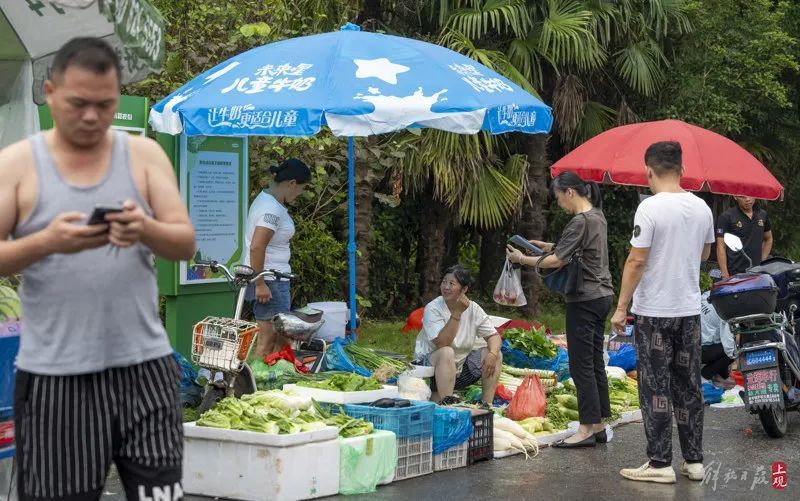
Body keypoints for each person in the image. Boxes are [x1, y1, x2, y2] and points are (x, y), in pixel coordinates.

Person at [0, 38, 195, 500]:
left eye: (105, 105)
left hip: (143, 368)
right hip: (53, 375)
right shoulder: (18, 164)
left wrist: (145, 227)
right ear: (50, 93)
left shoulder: (143, 156)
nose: (91, 117)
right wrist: (47, 242)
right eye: (78, 103)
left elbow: (184, 242)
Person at [610, 141, 714, 484]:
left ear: (648, 171)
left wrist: (621, 307)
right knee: (689, 385)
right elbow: (704, 255)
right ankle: (694, 462)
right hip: (689, 310)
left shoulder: (650, 208)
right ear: (682, 170)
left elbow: (636, 260)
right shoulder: (702, 208)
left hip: (654, 311)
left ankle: (660, 464)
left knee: (655, 387)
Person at [507, 171, 614, 448]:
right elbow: (578, 249)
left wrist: (523, 259)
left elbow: (556, 261)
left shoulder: (580, 221)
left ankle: (586, 429)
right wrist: (547, 246)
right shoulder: (597, 216)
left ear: (570, 192)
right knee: (594, 362)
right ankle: (599, 424)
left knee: (581, 365)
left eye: (558, 198)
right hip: (602, 296)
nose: (559, 204)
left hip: (584, 299)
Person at [244, 158, 310, 360]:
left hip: (273, 279)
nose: (300, 194)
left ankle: (271, 375)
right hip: (269, 281)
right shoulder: (271, 209)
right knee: (269, 339)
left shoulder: (268, 201)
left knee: (280, 339)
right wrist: (260, 283)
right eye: (301, 189)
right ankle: (255, 378)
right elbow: (257, 246)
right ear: (292, 183)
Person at [413, 265, 502, 407]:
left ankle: (487, 405)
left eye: (451, 283)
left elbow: (494, 336)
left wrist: (492, 353)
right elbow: (442, 343)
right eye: (444, 282)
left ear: (464, 289)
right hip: (429, 369)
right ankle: (448, 405)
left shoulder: (473, 309)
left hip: (457, 370)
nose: (446, 287)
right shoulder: (433, 308)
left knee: (495, 353)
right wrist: (457, 313)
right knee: (447, 352)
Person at [716, 195, 772, 278]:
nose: (748, 199)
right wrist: (724, 272)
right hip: (734, 272)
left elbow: (768, 239)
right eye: (742, 197)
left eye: (750, 195)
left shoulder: (762, 214)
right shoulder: (726, 216)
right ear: (735, 197)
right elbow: (721, 246)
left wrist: (762, 261)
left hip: (757, 272)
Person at [700, 289, 736, 389]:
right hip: (699, 350)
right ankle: (705, 376)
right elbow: (729, 348)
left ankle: (720, 376)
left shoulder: (707, 294)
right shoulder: (726, 311)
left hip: (686, 343)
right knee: (734, 349)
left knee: (721, 343)